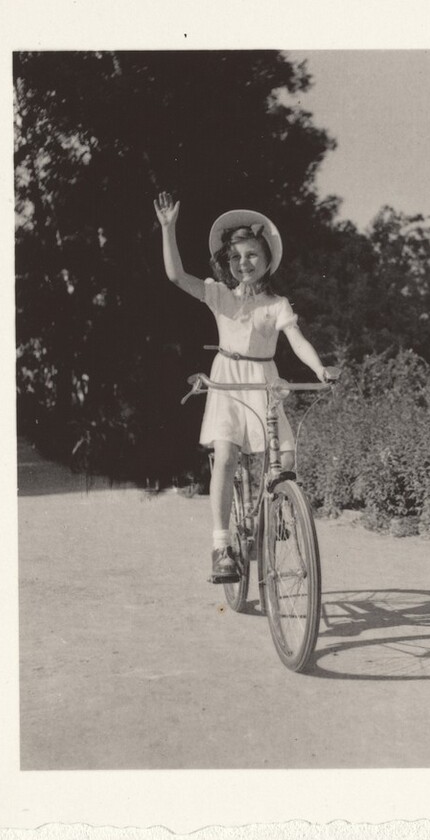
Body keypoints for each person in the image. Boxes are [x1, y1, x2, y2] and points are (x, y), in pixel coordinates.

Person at [153, 191, 335, 583]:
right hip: (227, 382)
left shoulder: (277, 304)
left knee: (285, 457)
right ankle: (221, 545)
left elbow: (297, 341)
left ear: (268, 260)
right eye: (235, 257)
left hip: (264, 383)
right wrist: (168, 229)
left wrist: (320, 368)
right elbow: (175, 276)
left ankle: (275, 512)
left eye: (252, 255)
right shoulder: (220, 295)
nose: (243, 263)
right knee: (226, 455)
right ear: (226, 263)